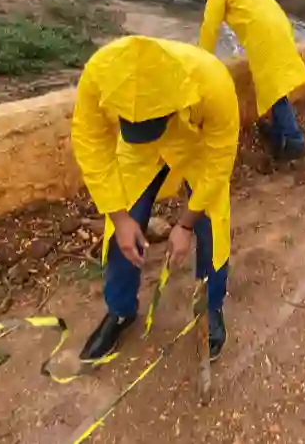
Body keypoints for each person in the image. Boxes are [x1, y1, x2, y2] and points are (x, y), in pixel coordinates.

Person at [70, 35, 240, 362]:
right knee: (121, 234)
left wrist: (186, 225)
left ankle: (209, 309)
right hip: (136, 157)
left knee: (212, 227)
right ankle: (120, 311)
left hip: (194, 150)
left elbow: (220, 160)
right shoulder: (99, 74)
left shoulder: (212, 81)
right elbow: (90, 145)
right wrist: (120, 219)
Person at [198, 0, 305, 161]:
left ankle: (295, 142)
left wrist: (200, 59)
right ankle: (278, 135)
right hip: (282, 27)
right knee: (277, 85)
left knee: (275, 91)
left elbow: (210, 25)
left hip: (263, 37)